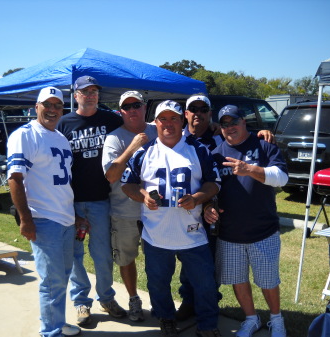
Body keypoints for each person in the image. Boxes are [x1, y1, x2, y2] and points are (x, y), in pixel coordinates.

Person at [121, 100, 221, 337]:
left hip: (193, 233)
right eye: (163, 119)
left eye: (173, 118)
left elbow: (213, 183)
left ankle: (208, 324)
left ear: (182, 120)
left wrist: (197, 198)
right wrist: (143, 196)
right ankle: (165, 317)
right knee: (157, 283)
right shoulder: (144, 152)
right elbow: (127, 184)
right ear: (154, 123)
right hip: (156, 233)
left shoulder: (198, 149)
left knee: (205, 284)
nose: (168, 124)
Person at [176, 94, 276, 321]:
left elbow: (244, 139)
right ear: (186, 114)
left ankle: (208, 304)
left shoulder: (219, 138)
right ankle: (189, 301)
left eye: (204, 109)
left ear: (210, 114)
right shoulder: (177, 139)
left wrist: (264, 133)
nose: (198, 113)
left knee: (210, 261)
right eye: (194, 109)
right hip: (186, 211)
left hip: (214, 212)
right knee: (188, 261)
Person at [205, 105, 288, 337]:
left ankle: (276, 320)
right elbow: (211, 189)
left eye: (234, 122)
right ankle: (251, 319)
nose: (229, 127)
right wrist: (209, 205)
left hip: (263, 230)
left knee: (268, 280)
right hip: (229, 233)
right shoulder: (216, 154)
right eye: (224, 123)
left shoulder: (264, 145)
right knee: (238, 279)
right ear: (220, 127)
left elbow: (281, 178)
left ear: (244, 122)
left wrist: (250, 169)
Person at [7, 87, 80, 337]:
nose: (52, 110)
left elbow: (62, 181)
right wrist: (25, 219)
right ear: (36, 106)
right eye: (46, 104)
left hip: (66, 218)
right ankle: (50, 331)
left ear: (62, 109)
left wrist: (74, 214)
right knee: (51, 281)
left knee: (63, 276)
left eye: (57, 105)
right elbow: (15, 178)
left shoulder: (60, 137)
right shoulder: (25, 135)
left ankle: (56, 322)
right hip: (43, 219)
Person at [58, 76, 126, 326]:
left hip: (101, 200)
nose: (90, 95)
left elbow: (136, 129)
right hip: (72, 202)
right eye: (84, 91)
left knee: (102, 255)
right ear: (75, 95)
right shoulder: (64, 123)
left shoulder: (111, 119)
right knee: (75, 255)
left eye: (94, 91)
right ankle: (81, 303)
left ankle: (106, 298)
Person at [102, 91, 157, 322]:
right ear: (121, 111)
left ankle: (160, 302)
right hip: (124, 212)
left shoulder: (158, 129)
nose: (133, 110)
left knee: (158, 262)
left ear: (144, 107)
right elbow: (111, 176)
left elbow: (189, 132)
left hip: (156, 212)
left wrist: (214, 125)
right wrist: (132, 147)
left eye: (137, 105)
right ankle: (134, 299)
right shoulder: (114, 138)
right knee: (126, 259)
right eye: (127, 107)